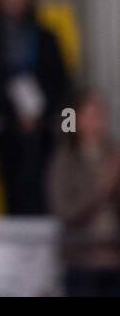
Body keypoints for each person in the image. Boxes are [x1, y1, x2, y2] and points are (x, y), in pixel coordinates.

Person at [0, 0, 70, 215]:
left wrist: (39, 114)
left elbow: (60, 81)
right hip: (6, 127)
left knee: (43, 189)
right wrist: (14, 114)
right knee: (13, 190)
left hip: (43, 127)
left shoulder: (46, 36)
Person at [48, 90, 120, 296]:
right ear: (77, 119)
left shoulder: (114, 154)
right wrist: (102, 188)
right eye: (91, 114)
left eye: (101, 114)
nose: (97, 120)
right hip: (82, 262)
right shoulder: (65, 160)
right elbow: (64, 211)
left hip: (114, 259)